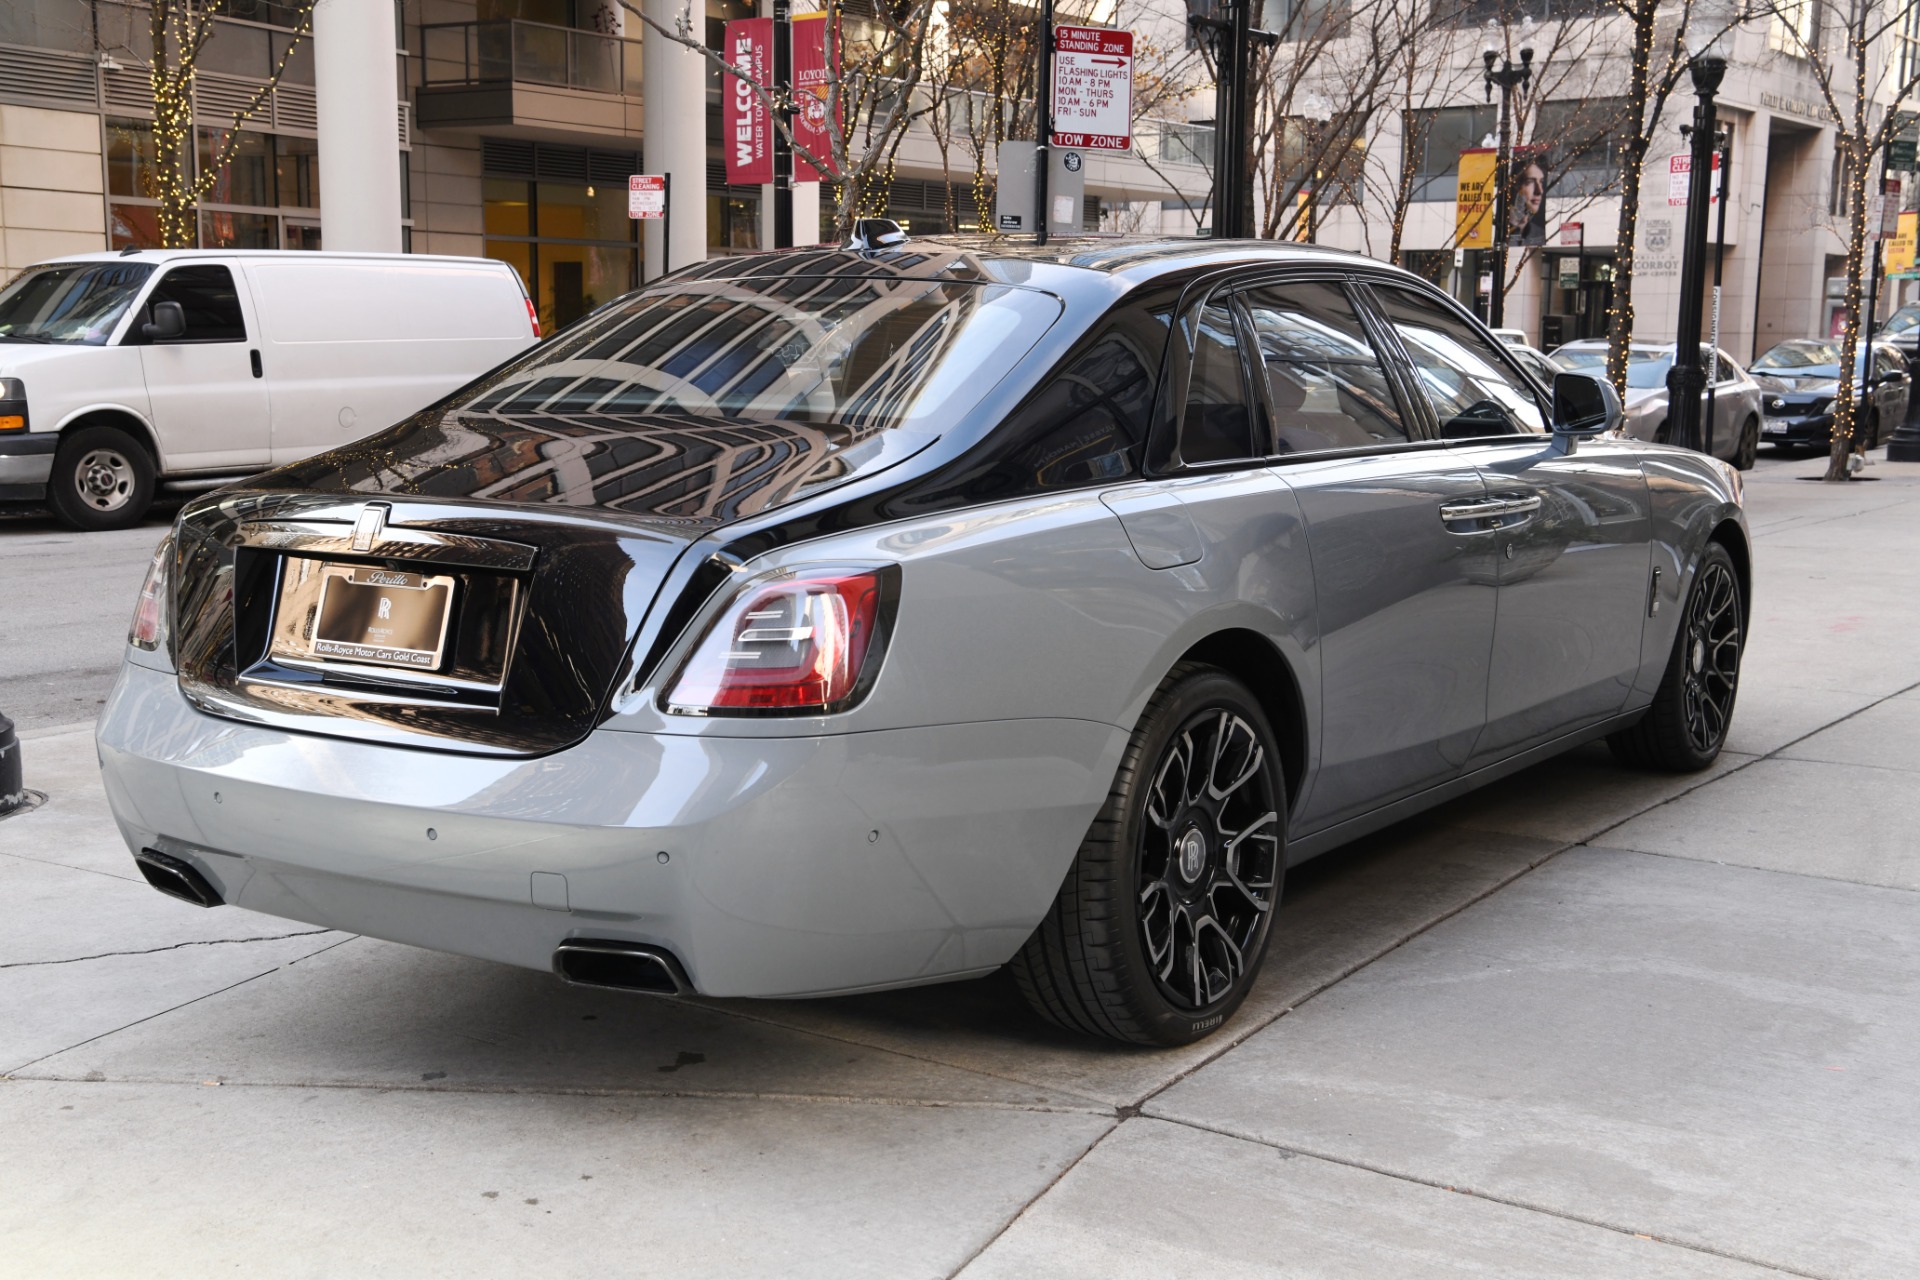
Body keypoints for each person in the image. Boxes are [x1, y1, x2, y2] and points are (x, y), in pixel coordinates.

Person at [1508, 157, 1547, 247]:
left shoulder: (1538, 233)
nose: (1539, 191)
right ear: (1515, 186)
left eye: (1541, 182)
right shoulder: (1499, 229)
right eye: (1530, 182)